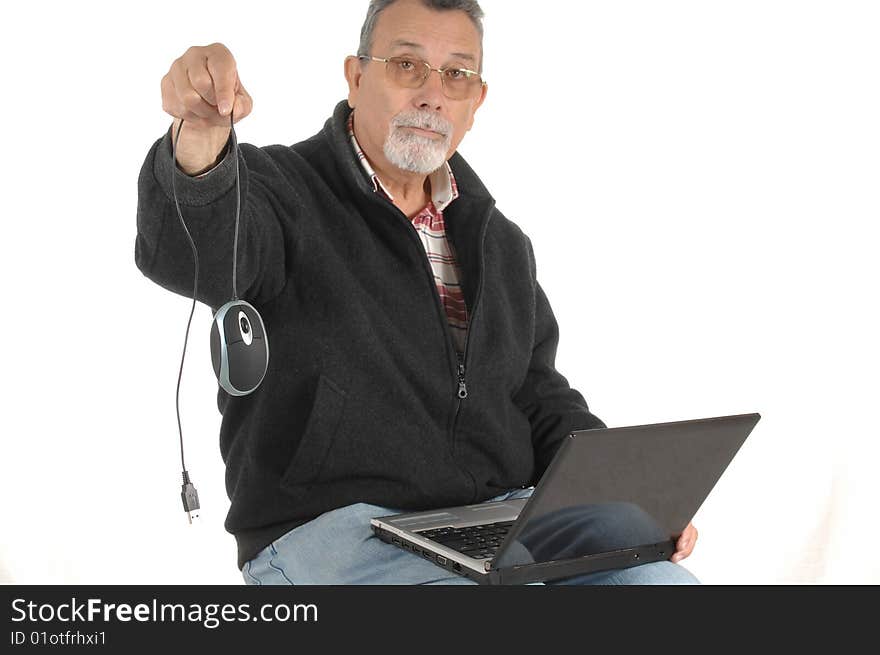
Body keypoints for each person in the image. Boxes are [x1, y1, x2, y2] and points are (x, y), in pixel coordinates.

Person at [135, 0, 699, 585]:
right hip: (333, 534)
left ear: (476, 102)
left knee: (662, 586)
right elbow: (192, 247)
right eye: (407, 65)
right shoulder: (281, 194)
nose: (432, 94)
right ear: (356, 78)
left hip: (493, 525)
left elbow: (538, 396)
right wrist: (201, 135)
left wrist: (624, 502)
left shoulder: (500, 243)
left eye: (456, 74)